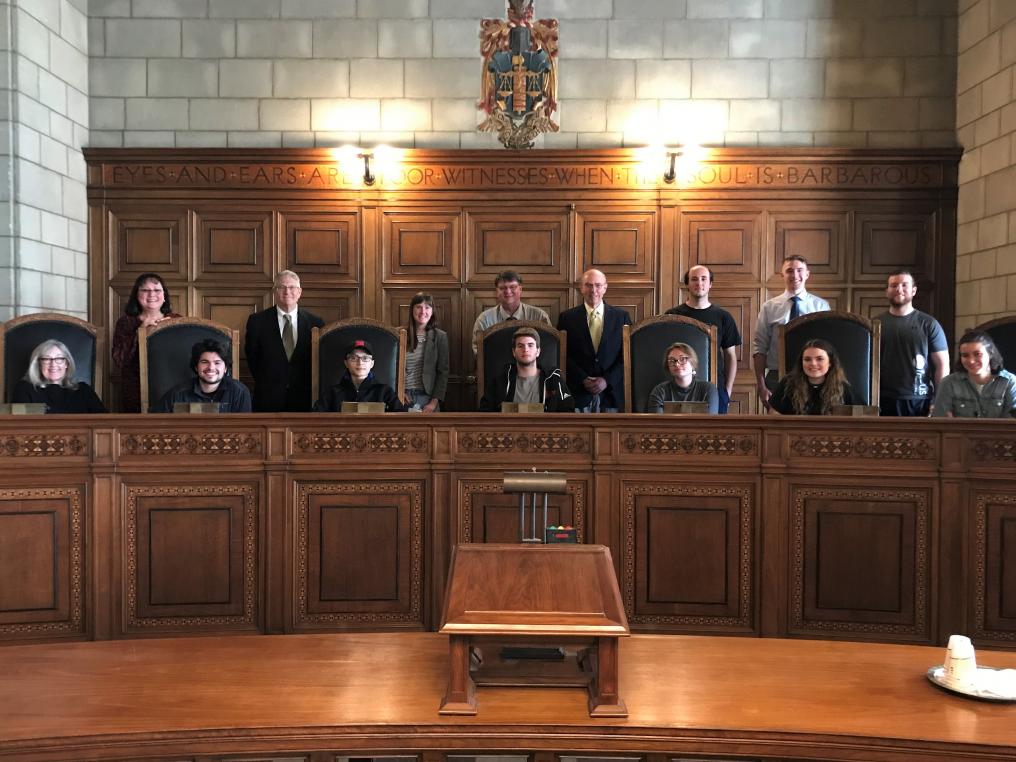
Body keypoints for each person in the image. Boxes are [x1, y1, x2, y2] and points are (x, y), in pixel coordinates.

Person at [752, 255, 830, 410]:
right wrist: (761, 385)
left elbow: (827, 348)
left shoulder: (821, 306)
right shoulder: (769, 307)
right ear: (782, 275)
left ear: (807, 274)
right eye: (789, 271)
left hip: (813, 376)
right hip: (776, 376)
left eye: (799, 270)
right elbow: (759, 348)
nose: (795, 275)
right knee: (776, 428)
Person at [244, 270, 324, 412]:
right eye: (282, 287)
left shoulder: (315, 323)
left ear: (299, 292)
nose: (287, 292)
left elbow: (318, 361)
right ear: (275, 292)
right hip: (268, 397)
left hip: (305, 398)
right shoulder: (257, 321)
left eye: (292, 287)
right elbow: (252, 358)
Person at [665, 265, 741, 413]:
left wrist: (727, 389)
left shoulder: (723, 317)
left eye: (703, 279)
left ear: (710, 284)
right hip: (679, 388)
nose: (699, 283)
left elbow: (730, 356)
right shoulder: (672, 315)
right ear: (687, 284)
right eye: (694, 279)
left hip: (715, 387)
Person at [556, 268, 631, 412]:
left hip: (611, 395)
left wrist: (606, 380)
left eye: (598, 285)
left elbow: (626, 356)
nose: (593, 290)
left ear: (605, 288)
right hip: (577, 393)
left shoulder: (621, 317)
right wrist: (583, 378)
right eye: (588, 285)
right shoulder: (567, 318)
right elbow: (562, 353)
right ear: (581, 288)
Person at [878, 270, 949, 416]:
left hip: (919, 399)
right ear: (887, 291)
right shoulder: (875, 324)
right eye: (894, 285)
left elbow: (942, 365)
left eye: (905, 285)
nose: (899, 289)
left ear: (914, 290)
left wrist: (939, 400)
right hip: (880, 399)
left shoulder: (929, 324)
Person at [112, 272, 180, 413]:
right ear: (137, 295)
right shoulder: (126, 322)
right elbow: (119, 359)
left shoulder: (176, 320)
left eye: (157, 290)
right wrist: (141, 329)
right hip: (136, 390)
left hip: (172, 385)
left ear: (164, 296)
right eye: (145, 290)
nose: (152, 294)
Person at [479, 327, 575, 412]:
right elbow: (485, 413)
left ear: (538, 351)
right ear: (513, 352)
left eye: (530, 345)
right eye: (520, 346)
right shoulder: (500, 381)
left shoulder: (554, 380)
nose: (525, 349)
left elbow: (568, 412)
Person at [152, 339, 252, 413]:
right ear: (196, 366)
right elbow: (156, 423)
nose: (211, 368)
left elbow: (246, 430)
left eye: (217, 363)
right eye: (205, 362)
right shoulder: (177, 394)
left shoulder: (240, 392)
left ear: (225, 368)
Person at [933, 331, 1016, 418]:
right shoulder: (948, 383)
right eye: (965, 355)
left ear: (990, 354)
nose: (971, 361)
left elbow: (1011, 425)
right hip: (959, 432)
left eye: (978, 354)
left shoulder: (1009, 382)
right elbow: (941, 422)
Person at [12, 339, 106, 413]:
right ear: (39, 364)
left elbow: (103, 421)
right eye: (47, 359)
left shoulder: (83, 390)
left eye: (59, 358)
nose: (53, 364)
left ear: (67, 364)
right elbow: (20, 425)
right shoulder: (24, 389)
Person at [769, 338, 857, 415]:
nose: (813, 364)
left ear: (830, 363)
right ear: (801, 363)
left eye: (819, 359)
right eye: (807, 359)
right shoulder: (787, 384)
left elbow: (858, 418)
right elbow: (774, 414)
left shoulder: (842, 387)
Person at [471, 269, 550, 353]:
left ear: (520, 289)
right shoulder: (484, 319)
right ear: (497, 292)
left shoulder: (539, 316)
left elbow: (548, 346)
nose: (508, 291)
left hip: (532, 365)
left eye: (512, 287)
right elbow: (478, 350)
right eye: (502, 288)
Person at [314, 340, 406, 412]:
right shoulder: (332, 393)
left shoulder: (385, 392)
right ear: (346, 363)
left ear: (372, 364)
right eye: (354, 358)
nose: (360, 362)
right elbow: (315, 418)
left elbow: (401, 419)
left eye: (365, 358)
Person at [403, 292, 449, 412]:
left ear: (432, 311)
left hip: (428, 399)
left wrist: (433, 403)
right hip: (403, 397)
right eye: (418, 307)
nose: (423, 311)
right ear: (412, 310)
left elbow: (442, 373)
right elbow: (390, 368)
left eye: (427, 307)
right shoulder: (400, 334)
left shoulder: (440, 336)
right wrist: (398, 393)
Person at [648, 342, 719, 414]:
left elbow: (710, 422)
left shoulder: (708, 389)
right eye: (672, 360)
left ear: (692, 363)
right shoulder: (660, 391)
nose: (677, 364)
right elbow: (657, 423)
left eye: (682, 359)